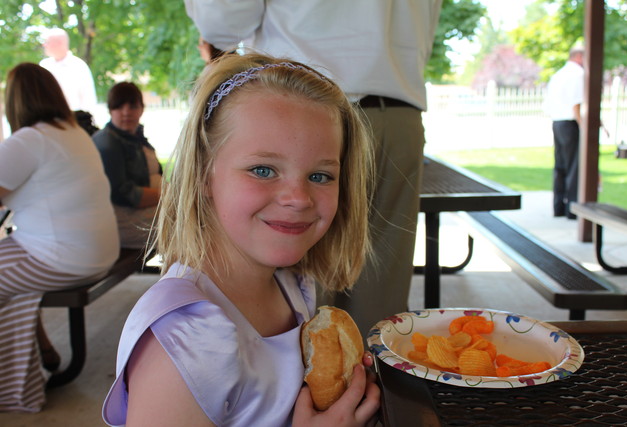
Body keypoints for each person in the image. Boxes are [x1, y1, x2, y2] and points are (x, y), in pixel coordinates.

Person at [102, 53, 379, 426]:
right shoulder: (184, 335)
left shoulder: (291, 282)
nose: (298, 197)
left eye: (320, 176)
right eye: (262, 170)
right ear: (203, 174)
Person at [183, 0, 443, 336]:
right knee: (380, 288)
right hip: (397, 109)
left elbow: (222, 20)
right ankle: (366, 383)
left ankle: (301, 382)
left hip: (300, 105)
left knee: (298, 283)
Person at [0, 63, 119, 412]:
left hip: (64, 258)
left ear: (14, 101)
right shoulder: (71, 131)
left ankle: (14, 387)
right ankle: (41, 354)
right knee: (9, 271)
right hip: (97, 251)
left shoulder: (28, 140)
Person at [92, 82, 162, 249]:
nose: (126, 112)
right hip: (123, 219)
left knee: (196, 214)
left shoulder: (135, 137)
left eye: (132, 106)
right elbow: (123, 193)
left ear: (141, 109)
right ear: (110, 110)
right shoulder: (107, 143)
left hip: (148, 208)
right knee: (188, 221)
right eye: (119, 106)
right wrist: (167, 196)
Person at [544, 46, 585, 220]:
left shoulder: (558, 74)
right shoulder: (577, 74)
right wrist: (584, 127)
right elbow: (576, 104)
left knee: (560, 167)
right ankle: (572, 209)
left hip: (557, 123)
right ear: (579, 57)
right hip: (570, 123)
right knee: (573, 168)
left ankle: (558, 206)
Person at [39, 28, 98, 115]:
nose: (44, 45)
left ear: (59, 43)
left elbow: (88, 100)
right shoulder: (44, 66)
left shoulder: (78, 66)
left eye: (47, 42)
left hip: (73, 121)